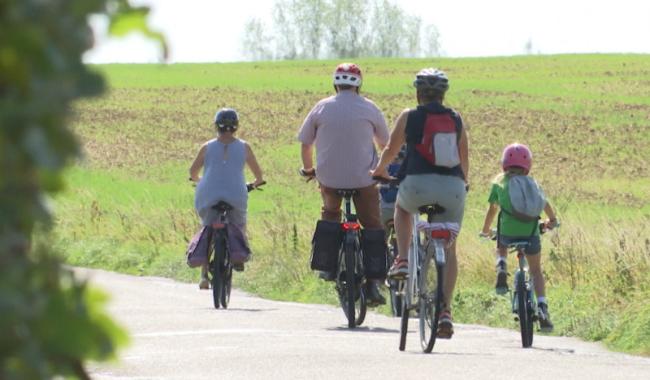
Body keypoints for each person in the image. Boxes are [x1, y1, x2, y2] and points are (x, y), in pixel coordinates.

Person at [371, 68, 469, 338]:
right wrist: (463, 184)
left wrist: (379, 171)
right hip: (452, 189)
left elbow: (391, 149)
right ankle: (446, 310)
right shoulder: (456, 119)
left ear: (418, 93)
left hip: (416, 185)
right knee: (449, 249)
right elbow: (464, 159)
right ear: (443, 94)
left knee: (402, 210)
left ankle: (402, 259)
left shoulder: (409, 116)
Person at [298, 62, 390, 306]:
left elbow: (306, 144)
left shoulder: (321, 107)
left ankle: (327, 267)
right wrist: (382, 170)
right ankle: (373, 284)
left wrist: (309, 170)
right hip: (364, 179)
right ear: (359, 85)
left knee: (330, 212)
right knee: (372, 224)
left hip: (328, 177)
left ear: (335, 83)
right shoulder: (370, 108)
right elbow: (386, 145)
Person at [479, 143, 557, 332]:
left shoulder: (499, 182)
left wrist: (486, 230)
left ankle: (502, 265)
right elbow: (544, 203)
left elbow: (492, 210)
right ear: (527, 164)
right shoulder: (533, 184)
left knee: (501, 243)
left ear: (504, 163)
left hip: (507, 234)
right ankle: (542, 307)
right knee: (536, 271)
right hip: (531, 235)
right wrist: (552, 221)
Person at [190, 108, 265, 289]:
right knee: (239, 224)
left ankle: (203, 276)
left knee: (207, 227)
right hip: (236, 194)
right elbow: (259, 176)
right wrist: (254, 183)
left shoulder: (206, 147)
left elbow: (192, 173)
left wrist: (200, 181)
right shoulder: (244, 147)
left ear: (216, 126)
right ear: (236, 127)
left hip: (208, 193)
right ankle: (238, 255)